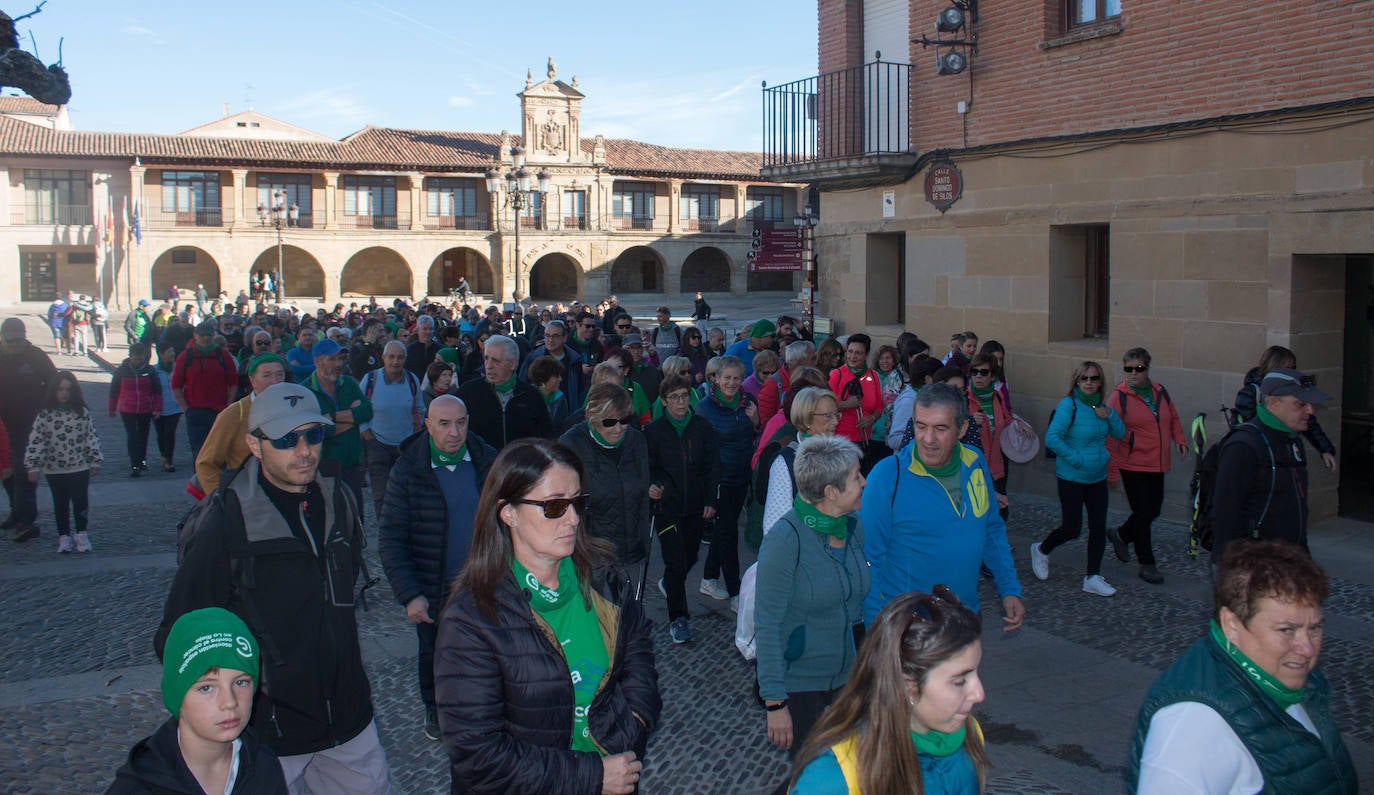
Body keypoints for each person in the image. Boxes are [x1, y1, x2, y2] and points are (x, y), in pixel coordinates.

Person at [156, 382, 389, 794]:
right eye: (285, 439)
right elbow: (178, 634)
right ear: (254, 444)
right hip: (269, 733)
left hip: (349, 718)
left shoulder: (341, 501)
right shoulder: (225, 522)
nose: (304, 450)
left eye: (313, 435)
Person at [434, 438, 661, 794]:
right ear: (508, 512)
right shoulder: (471, 618)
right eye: (554, 506)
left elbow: (638, 654)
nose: (573, 518)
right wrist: (593, 776)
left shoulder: (603, 579)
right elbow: (478, 754)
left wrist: (634, 722)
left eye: (577, 503)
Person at [1131, 540, 1358, 794]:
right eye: (1287, 630)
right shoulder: (1192, 727)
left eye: (1314, 628)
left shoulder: (1288, 677)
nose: (1307, 648)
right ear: (1231, 624)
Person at [788, 587, 990, 795]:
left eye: (975, 672)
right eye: (959, 681)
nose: (979, 694)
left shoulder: (970, 735)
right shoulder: (833, 779)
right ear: (908, 687)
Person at [379, 394, 497, 743]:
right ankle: (435, 706)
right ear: (426, 424)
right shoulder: (408, 470)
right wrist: (410, 594)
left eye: (461, 422)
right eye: (444, 423)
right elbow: (391, 537)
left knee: (487, 648)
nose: (454, 431)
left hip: (482, 580)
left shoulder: (487, 460)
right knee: (434, 651)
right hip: (435, 584)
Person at [859, 383, 1025, 629]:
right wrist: (877, 634)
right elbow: (869, 559)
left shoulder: (974, 462)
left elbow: (991, 528)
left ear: (962, 429)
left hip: (966, 617)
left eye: (940, 428)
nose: (928, 439)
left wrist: (1009, 588)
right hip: (910, 624)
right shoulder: (887, 476)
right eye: (921, 426)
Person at [756, 435, 870, 759]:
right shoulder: (784, 541)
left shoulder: (852, 527)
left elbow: (858, 605)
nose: (864, 481)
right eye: (856, 476)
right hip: (802, 686)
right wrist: (775, 702)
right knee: (808, 774)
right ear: (831, 492)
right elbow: (767, 625)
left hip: (849, 679)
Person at [108, 608, 288, 794]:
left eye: (241, 682)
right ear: (177, 696)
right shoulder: (135, 789)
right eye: (206, 687)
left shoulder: (264, 768)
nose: (230, 702)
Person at [1029, 361, 1127, 597]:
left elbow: (1120, 433)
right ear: (1077, 382)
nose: (1090, 383)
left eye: (1094, 378)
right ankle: (1042, 549)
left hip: (1097, 477)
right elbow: (1052, 438)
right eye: (1085, 379)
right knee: (1072, 528)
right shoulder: (1069, 405)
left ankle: (1092, 576)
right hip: (1072, 476)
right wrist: (1076, 459)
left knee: (1098, 526)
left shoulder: (1102, 407)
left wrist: (1110, 415)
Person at [1211, 368, 1330, 560]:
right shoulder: (1244, 446)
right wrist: (1235, 570)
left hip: (1289, 560)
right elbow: (1226, 515)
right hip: (1253, 565)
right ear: (1274, 403)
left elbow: (1297, 509)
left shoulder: (1293, 440)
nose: (1310, 410)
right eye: (1301, 404)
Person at [644, 374, 721, 644]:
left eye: (684, 396)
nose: (680, 402)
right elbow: (649, 468)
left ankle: (668, 583)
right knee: (675, 561)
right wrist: (653, 485)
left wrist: (712, 499)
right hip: (667, 507)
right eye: (674, 397)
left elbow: (713, 468)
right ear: (664, 401)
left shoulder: (703, 428)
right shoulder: (654, 431)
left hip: (696, 506)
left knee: (690, 557)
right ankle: (679, 617)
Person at [1105, 347, 1187, 585]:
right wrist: (1112, 470)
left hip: (1157, 462)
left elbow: (1173, 418)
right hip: (1132, 463)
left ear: (1147, 369)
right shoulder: (1119, 397)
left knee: (1154, 510)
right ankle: (1147, 563)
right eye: (1128, 368)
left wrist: (1179, 440)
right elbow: (1110, 434)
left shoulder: (1159, 391)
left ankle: (1120, 534)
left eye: (1138, 368)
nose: (1133, 373)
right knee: (1143, 512)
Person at [559, 383, 652, 573]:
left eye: (624, 420)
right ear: (593, 418)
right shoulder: (570, 445)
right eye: (609, 422)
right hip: (591, 557)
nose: (618, 428)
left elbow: (643, 495)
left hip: (633, 551)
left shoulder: (637, 441)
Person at [696, 355, 760, 610]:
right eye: (727, 378)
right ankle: (736, 592)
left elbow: (755, 434)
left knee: (726, 528)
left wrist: (755, 420)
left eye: (736, 378)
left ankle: (709, 579)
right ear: (716, 378)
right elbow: (701, 449)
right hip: (719, 479)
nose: (732, 383)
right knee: (728, 534)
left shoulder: (749, 403)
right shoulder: (704, 407)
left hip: (741, 476)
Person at [24, 371, 102, 553]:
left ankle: (81, 533)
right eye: (60, 389)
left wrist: (95, 459)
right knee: (60, 504)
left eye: (68, 389)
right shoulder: (45, 415)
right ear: (54, 391)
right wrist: (33, 465)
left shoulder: (81, 413)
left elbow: (90, 436)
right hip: (55, 469)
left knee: (81, 502)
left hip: (79, 466)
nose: (64, 393)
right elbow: (37, 440)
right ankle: (64, 536)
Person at [194, 354, 287, 497]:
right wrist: (221, 498)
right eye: (266, 376)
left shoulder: (292, 408)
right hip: (248, 498)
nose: (274, 381)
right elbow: (206, 463)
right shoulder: (234, 414)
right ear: (252, 380)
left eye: (279, 375)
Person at [1234, 346, 1337, 473]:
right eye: (1288, 368)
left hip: (1284, 448)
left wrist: (1325, 448)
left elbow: (1309, 422)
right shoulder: (1252, 393)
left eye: (1293, 368)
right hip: (1261, 451)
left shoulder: (1292, 390)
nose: (1310, 410)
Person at [760, 388, 843, 537]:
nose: (836, 421)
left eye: (837, 414)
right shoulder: (786, 462)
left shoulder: (840, 454)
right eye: (827, 416)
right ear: (806, 420)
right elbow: (774, 525)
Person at [361, 341, 424, 522]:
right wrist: (369, 438)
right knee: (381, 494)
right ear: (383, 357)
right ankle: (385, 532)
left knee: (405, 491)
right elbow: (360, 410)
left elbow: (420, 408)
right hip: (378, 444)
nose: (395, 361)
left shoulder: (412, 380)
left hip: (404, 445)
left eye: (400, 357)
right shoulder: (371, 379)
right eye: (391, 357)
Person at [457, 335, 551, 449]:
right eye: (486, 358)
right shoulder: (468, 392)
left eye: (496, 361)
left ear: (513, 364)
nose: (488, 366)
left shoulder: (531, 396)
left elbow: (546, 439)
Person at [172, 321, 239, 460]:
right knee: (199, 453)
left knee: (219, 451)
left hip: (219, 411)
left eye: (208, 335)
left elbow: (233, 382)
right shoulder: (186, 356)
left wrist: (228, 405)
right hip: (195, 411)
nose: (205, 338)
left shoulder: (223, 356)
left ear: (214, 335)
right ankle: (200, 481)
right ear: (195, 336)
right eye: (202, 335)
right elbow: (176, 385)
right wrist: (186, 409)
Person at [966, 352, 1013, 518]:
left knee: (1000, 514)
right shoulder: (964, 399)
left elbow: (1006, 422)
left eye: (983, 372)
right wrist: (970, 422)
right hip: (973, 468)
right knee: (978, 514)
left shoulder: (997, 397)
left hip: (996, 467)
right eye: (974, 371)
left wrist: (1020, 426)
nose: (978, 376)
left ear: (992, 376)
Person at [829, 333, 885, 474]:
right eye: (850, 352)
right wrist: (846, 404)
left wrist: (872, 418)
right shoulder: (837, 374)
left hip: (865, 441)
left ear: (866, 355)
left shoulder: (874, 376)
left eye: (858, 353)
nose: (853, 357)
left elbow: (879, 407)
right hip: (840, 441)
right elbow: (825, 405)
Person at [108, 342, 162, 478]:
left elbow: (157, 390)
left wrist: (157, 408)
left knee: (143, 435)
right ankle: (135, 464)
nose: (138, 361)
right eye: (136, 358)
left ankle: (142, 459)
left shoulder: (150, 371)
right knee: (132, 435)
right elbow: (114, 390)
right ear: (130, 357)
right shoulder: (122, 370)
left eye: (141, 358)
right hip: (127, 408)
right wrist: (111, 407)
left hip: (145, 408)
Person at [521, 320, 586, 406]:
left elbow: (580, 390)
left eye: (555, 336)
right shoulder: (533, 358)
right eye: (547, 336)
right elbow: (523, 385)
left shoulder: (574, 359)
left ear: (564, 338)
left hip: (568, 412)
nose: (550, 340)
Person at [759, 341, 817, 426]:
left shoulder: (813, 379)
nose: (816, 362)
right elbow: (766, 421)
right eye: (813, 359)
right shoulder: (773, 384)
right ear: (800, 363)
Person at [153, 344, 184, 473]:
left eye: (173, 351)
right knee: (161, 434)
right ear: (161, 354)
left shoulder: (178, 369)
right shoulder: (154, 371)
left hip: (175, 407)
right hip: (158, 408)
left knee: (170, 433)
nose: (172, 354)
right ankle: (163, 456)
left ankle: (169, 459)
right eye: (169, 351)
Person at [527, 355, 572, 431]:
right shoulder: (527, 396)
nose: (560, 379)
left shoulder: (561, 398)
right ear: (543, 378)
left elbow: (563, 428)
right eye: (556, 376)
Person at [405, 315, 442, 380]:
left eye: (430, 329)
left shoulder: (440, 349)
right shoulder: (410, 350)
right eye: (425, 329)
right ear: (418, 330)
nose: (428, 332)